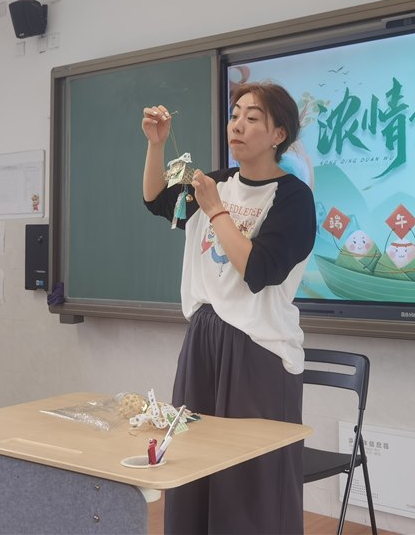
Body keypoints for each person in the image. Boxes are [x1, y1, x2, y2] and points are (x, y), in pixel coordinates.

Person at [142, 81, 316, 535]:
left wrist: (217, 211)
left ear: (278, 134)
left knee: (249, 479)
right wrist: (156, 145)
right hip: (204, 337)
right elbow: (157, 200)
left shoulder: (294, 198)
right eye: (235, 114)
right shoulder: (217, 182)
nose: (237, 124)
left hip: (258, 347)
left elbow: (258, 270)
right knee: (192, 462)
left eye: (252, 118)